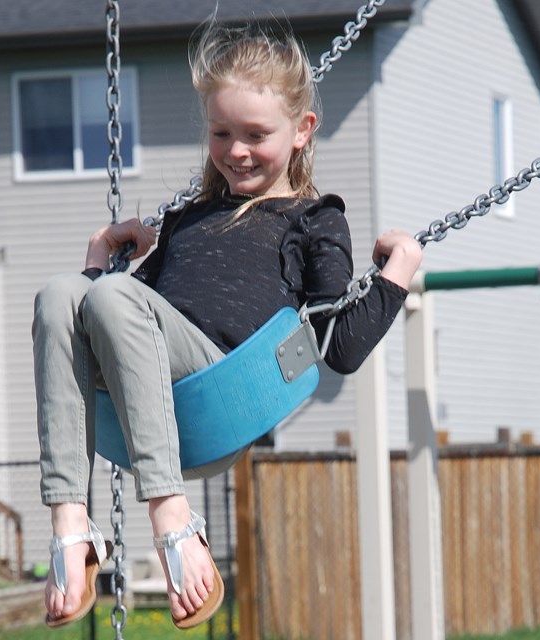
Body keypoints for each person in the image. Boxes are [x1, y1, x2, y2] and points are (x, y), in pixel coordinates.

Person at [33, 21, 424, 630]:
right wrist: (96, 255)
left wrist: (399, 269)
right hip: (150, 408)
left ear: (302, 132)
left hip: (221, 392)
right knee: (62, 292)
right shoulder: (188, 218)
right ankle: (70, 525)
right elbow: (108, 321)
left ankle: (171, 518)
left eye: (255, 134)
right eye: (221, 133)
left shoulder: (315, 219)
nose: (236, 150)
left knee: (108, 294)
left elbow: (339, 346)